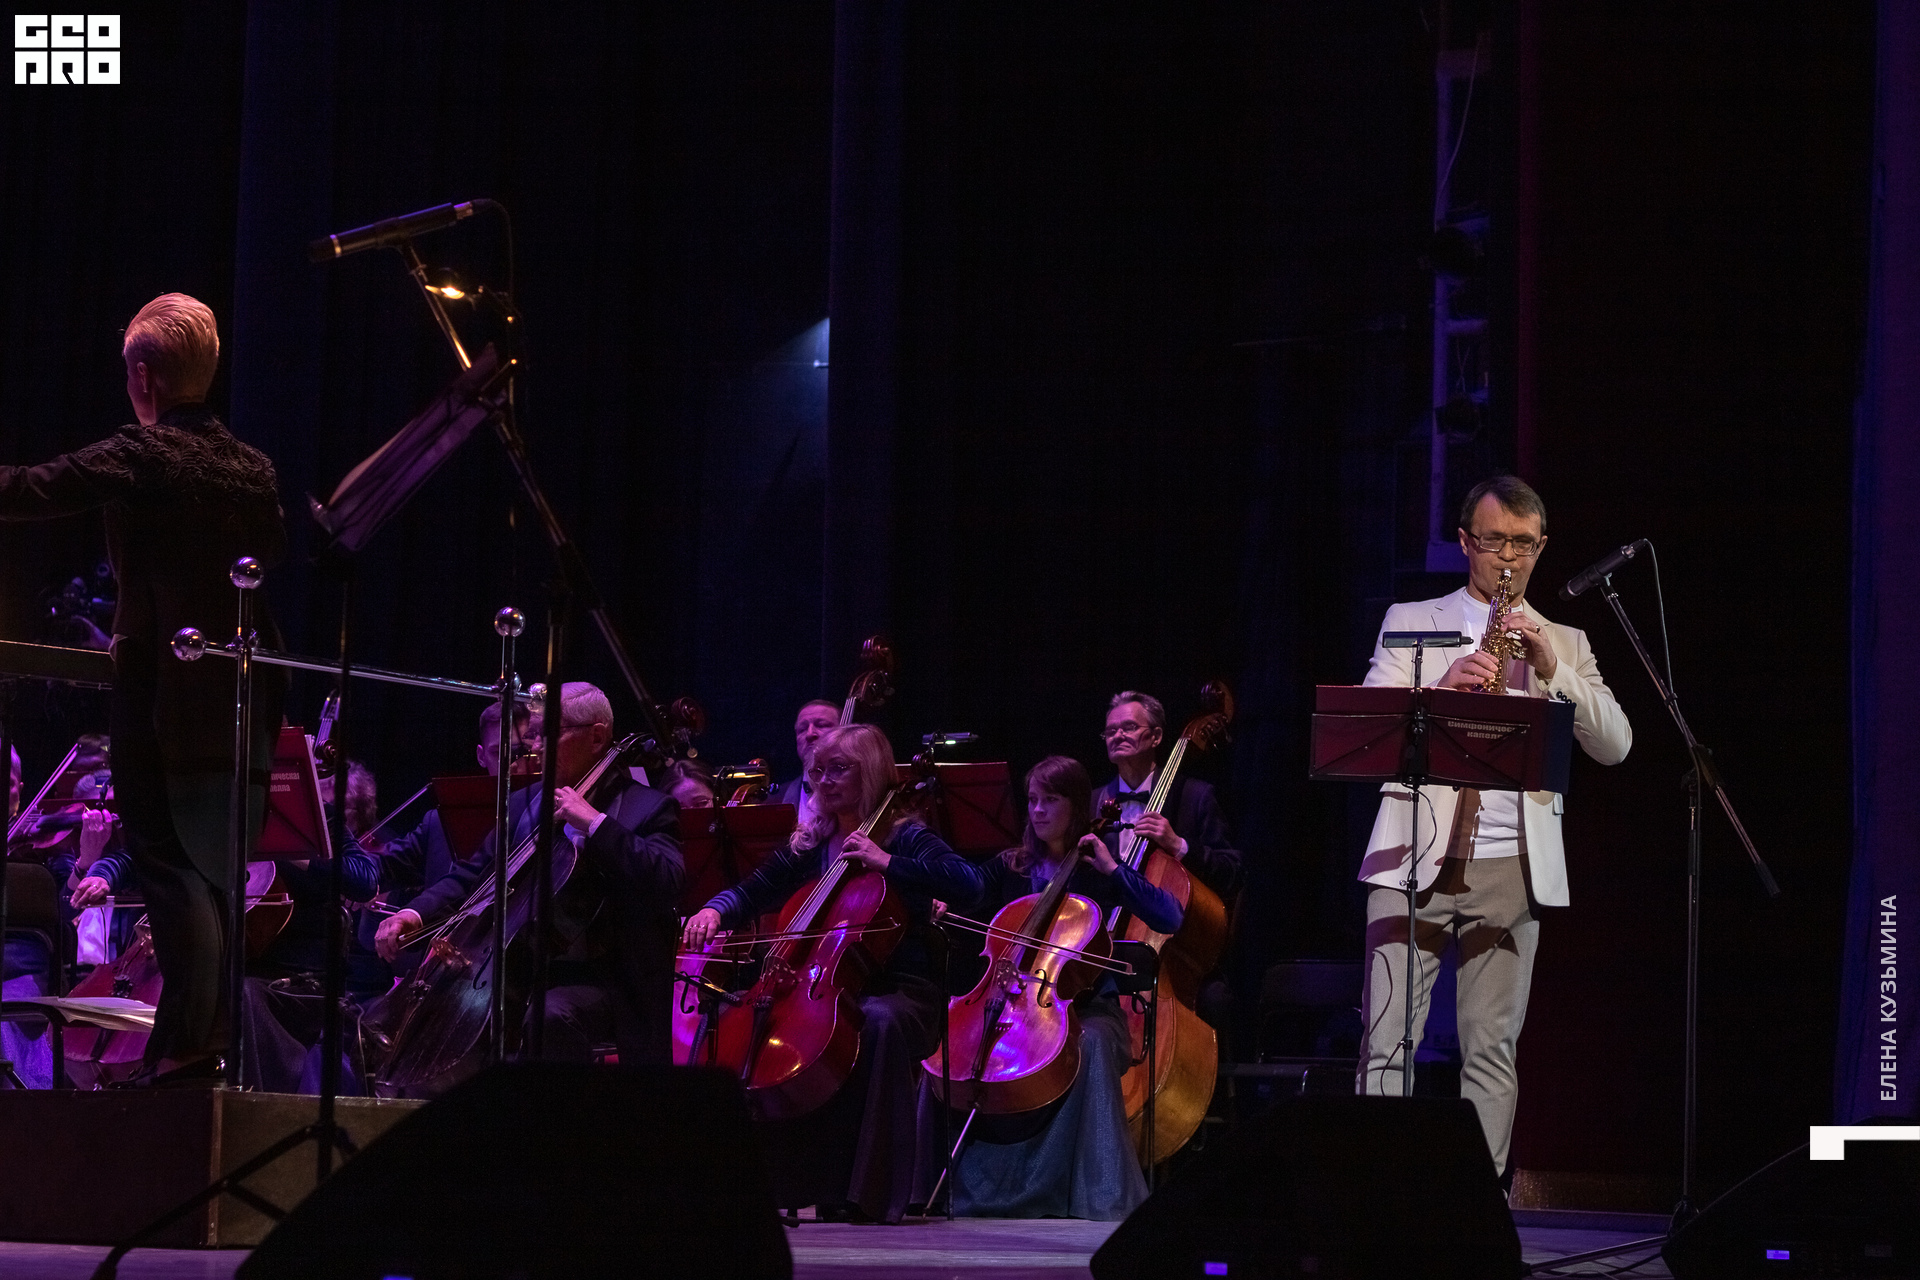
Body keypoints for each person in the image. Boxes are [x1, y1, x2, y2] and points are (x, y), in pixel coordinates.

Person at [0, 294, 286, 1085]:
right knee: (218, 863)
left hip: (164, 687)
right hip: (245, 687)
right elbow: (271, 554)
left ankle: (188, 1047)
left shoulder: (144, 454)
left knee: (166, 857)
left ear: (144, 376)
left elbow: (30, 488)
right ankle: (206, 1043)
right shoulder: (255, 469)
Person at [1355, 474, 1632, 1185]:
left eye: (1523, 545)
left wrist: (1552, 670)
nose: (1508, 558)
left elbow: (1616, 745)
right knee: (1387, 1041)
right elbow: (1369, 726)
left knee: (1490, 1050)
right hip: (1410, 856)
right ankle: (1373, 1202)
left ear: (1541, 546)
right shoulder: (1409, 620)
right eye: (1494, 542)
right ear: (1464, 542)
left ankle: (1476, 1209)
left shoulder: (1565, 639)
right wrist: (1441, 687)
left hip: (1513, 864)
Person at [682, 722, 979, 1223]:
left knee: (877, 1022)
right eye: (817, 771)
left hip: (902, 988)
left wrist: (887, 862)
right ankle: (770, 1181)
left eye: (838, 769)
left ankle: (869, 1191)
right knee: (755, 1027)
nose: (823, 780)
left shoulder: (906, 836)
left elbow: (970, 884)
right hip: (820, 985)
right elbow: (754, 889)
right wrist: (714, 909)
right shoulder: (812, 841)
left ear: (872, 771)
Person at [905, 755, 1182, 1221]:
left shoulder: (1096, 867)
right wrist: (942, 904)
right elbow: (967, 893)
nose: (1037, 810)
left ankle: (1094, 1193)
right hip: (1010, 1005)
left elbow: (1170, 916)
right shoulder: (1012, 865)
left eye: (1050, 800)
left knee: (1090, 1045)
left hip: (1089, 1010)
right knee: (949, 1049)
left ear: (1076, 805)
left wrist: (1114, 869)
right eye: (1032, 799)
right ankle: (932, 1183)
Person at [374, 683, 684, 1066]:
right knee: (443, 1008)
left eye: (549, 733)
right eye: (535, 734)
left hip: (604, 981)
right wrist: (414, 913)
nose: (536, 747)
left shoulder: (648, 807)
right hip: (519, 969)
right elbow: (476, 873)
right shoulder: (525, 802)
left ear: (596, 737)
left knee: (548, 1015)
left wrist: (595, 823)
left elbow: (668, 880)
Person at [1093, 690, 1242, 1031]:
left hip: (1175, 952)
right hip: (1105, 952)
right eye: (1110, 730)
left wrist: (1179, 845)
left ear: (1157, 736)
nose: (1117, 735)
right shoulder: (1095, 802)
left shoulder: (1195, 796)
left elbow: (1233, 872)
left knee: (1216, 1002)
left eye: (1129, 727)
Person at [362, 700, 539, 981]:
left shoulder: (551, 817)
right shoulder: (439, 822)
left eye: (521, 752)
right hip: (440, 978)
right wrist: (332, 864)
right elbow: (386, 865)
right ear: (481, 756)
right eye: (499, 753)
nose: (512, 764)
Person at [772, 699, 841, 812]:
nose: (809, 734)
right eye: (802, 729)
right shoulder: (775, 799)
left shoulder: (860, 793)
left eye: (822, 725)